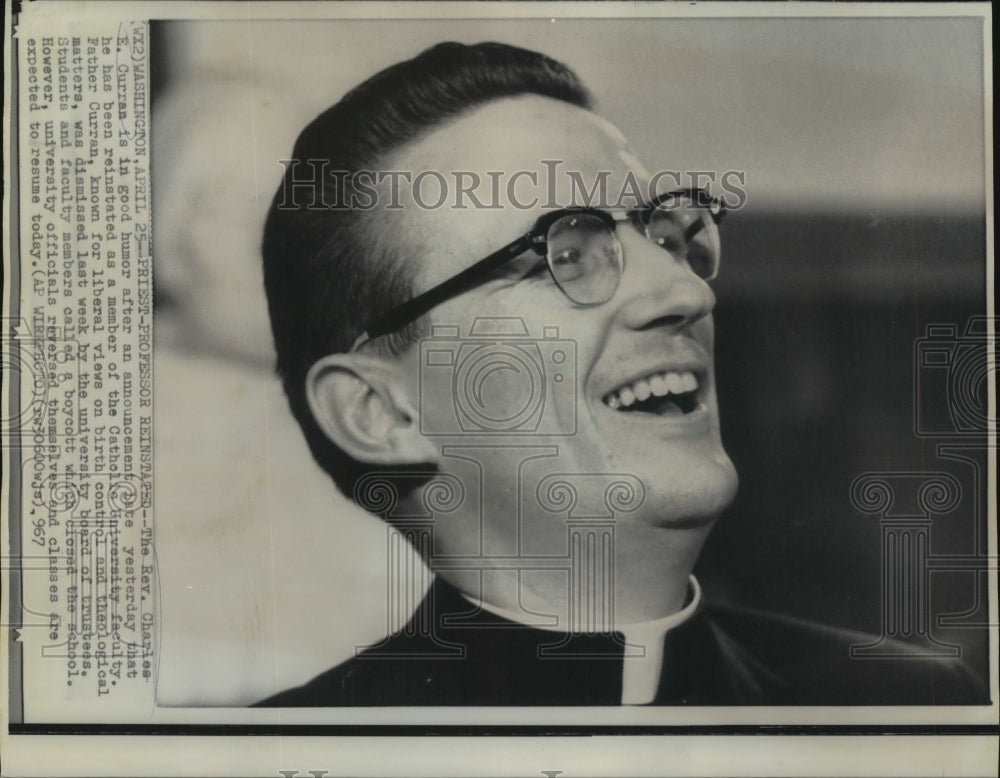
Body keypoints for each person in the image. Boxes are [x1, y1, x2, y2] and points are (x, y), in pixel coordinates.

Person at [257, 42, 986, 706]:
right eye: (562, 254)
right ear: (380, 413)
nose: (687, 292)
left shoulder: (907, 703)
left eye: (667, 235)